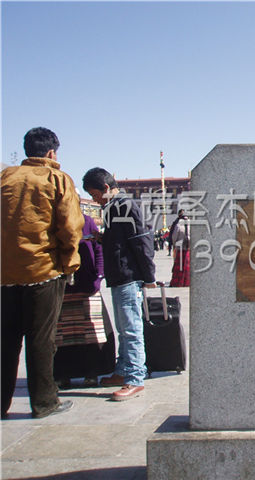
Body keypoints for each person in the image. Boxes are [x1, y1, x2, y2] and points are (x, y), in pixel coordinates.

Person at [1, 127, 84, 419]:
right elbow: (70, 228)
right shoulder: (56, 179)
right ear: (51, 152)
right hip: (43, 272)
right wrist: (69, 265)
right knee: (41, 340)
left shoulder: (5, 178)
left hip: (4, 275)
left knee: (6, 341)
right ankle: (45, 402)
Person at [82, 168, 156, 401]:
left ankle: (135, 378)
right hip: (118, 276)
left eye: (95, 195)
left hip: (128, 276)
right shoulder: (112, 208)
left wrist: (149, 276)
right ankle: (122, 371)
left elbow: (140, 240)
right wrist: (102, 238)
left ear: (106, 188)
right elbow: (121, 240)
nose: (95, 200)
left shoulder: (124, 206)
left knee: (131, 328)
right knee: (124, 328)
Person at [54, 208, 115, 389]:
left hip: (87, 286)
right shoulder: (54, 222)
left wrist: (99, 276)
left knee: (91, 334)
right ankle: (62, 375)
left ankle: (91, 373)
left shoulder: (87, 221)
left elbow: (98, 250)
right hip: (62, 287)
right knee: (61, 335)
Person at [169, 210, 190, 287]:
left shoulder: (178, 224)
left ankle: (178, 282)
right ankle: (187, 282)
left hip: (180, 248)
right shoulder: (191, 224)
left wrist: (174, 245)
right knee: (187, 266)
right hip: (188, 248)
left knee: (179, 267)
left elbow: (174, 237)